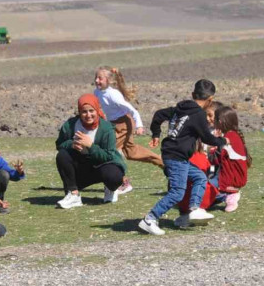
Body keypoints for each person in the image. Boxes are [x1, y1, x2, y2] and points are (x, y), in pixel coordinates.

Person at [139, 79, 228, 235]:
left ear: (193, 94)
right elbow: (207, 138)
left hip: (173, 154)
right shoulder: (199, 114)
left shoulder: (179, 108)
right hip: (176, 157)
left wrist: (156, 134)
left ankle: (190, 213)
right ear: (210, 100)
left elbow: (159, 115)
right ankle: (150, 219)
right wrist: (222, 141)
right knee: (177, 192)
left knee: (200, 177)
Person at [93, 66, 163, 195]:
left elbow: (132, 110)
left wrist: (139, 125)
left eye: (100, 78)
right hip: (113, 124)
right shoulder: (96, 92)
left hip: (123, 123)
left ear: (108, 80)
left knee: (109, 151)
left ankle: (123, 183)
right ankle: (163, 162)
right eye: (96, 77)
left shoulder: (113, 95)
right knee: (131, 152)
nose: (97, 80)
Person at [54, 94, 127, 209]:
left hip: (103, 165)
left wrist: (90, 146)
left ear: (97, 110)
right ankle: (73, 194)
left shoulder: (106, 128)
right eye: (84, 112)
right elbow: (59, 144)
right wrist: (72, 144)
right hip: (82, 167)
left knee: (114, 176)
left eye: (91, 111)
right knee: (62, 155)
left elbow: (108, 156)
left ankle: (110, 188)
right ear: (79, 112)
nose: (88, 115)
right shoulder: (71, 125)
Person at [212, 106, 251, 212]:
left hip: (231, 179)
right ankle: (224, 195)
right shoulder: (233, 135)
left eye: (214, 119)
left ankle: (229, 196)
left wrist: (213, 140)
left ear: (219, 121)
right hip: (228, 176)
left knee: (203, 189)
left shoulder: (231, 137)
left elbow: (223, 144)